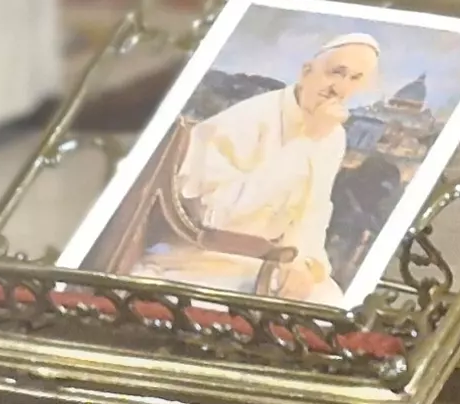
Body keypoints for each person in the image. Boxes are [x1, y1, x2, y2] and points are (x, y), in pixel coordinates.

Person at [80, 35, 384, 307]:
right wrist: (304, 144)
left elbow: (314, 209)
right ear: (307, 71)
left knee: (330, 302)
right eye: (336, 73)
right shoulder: (249, 119)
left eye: (354, 79)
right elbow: (219, 217)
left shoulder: (332, 134)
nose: (341, 89)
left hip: (271, 262)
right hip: (199, 260)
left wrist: (303, 263)